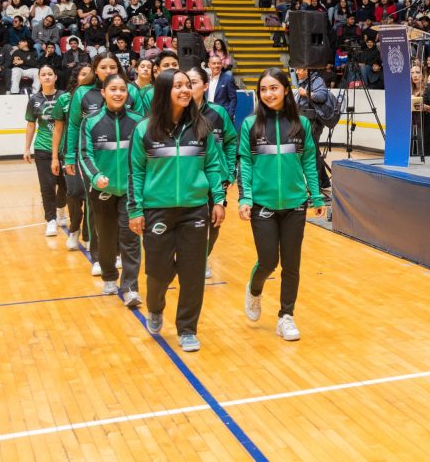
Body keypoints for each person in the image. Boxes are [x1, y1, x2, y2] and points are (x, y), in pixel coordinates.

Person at [127, 69, 226, 352]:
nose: (185, 90)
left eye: (188, 85)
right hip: (157, 210)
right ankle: (155, 307)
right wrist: (135, 210)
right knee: (157, 272)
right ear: (164, 91)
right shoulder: (144, 129)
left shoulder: (202, 126)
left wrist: (218, 200)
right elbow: (136, 173)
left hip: (195, 209)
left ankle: (187, 329)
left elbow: (213, 166)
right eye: (178, 85)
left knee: (192, 273)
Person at [238, 68, 325, 342]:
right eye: (263, 89)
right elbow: (245, 163)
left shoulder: (302, 124)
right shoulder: (250, 125)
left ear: (286, 90)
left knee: (291, 264)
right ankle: (254, 289)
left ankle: (286, 316)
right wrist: (245, 197)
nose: (268, 94)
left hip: (295, 204)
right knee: (268, 261)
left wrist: (316, 196)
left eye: (274, 88)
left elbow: (309, 161)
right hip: (262, 204)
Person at [79, 73, 144, 304]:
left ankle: (130, 288)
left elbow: (144, 156)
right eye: (113, 89)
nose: (118, 93)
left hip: (130, 192)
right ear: (103, 93)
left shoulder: (138, 121)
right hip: (102, 191)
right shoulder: (90, 122)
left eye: (122, 90)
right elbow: (84, 154)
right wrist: (96, 176)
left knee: (131, 238)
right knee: (105, 238)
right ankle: (109, 276)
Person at [186, 66, 237, 278]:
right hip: (189, 178)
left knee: (214, 222)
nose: (188, 87)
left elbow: (231, 141)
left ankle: (201, 258)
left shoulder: (218, 113)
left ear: (205, 86)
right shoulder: (177, 113)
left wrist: (230, 170)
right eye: (185, 83)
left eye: (193, 83)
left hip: (217, 177)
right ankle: (188, 259)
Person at [51, 64, 93, 251]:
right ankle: (74, 229)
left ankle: (89, 235)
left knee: (91, 196)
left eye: (90, 74)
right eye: (83, 74)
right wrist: (55, 157)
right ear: (76, 77)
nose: (87, 77)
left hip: (92, 151)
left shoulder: (99, 96)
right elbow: (58, 129)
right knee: (74, 192)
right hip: (71, 152)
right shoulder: (65, 99)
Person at [24, 65, 67, 236]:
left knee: (65, 185)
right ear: (39, 78)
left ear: (56, 77)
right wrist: (26, 148)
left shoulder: (64, 96)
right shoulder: (34, 99)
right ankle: (51, 220)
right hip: (43, 149)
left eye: (50, 74)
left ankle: (61, 209)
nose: (47, 77)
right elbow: (31, 124)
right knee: (47, 186)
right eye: (43, 74)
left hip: (64, 149)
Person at [410, 64, 430, 156]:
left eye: (417, 72)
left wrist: (426, 107)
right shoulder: (409, 90)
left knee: (427, 153)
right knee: (412, 153)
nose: (415, 75)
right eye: (412, 73)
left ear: (423, 75)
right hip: (412, 126)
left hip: (426, 126)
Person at [207, 54, 238, 121]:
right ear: (209, 65)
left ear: (221, 65)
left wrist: (230, 115)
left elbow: (233, 99)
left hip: (222, 116)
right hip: (208, 115)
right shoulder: (206, 80)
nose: (216, 65)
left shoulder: (228, 79)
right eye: (214, 63)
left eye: (219, 63)